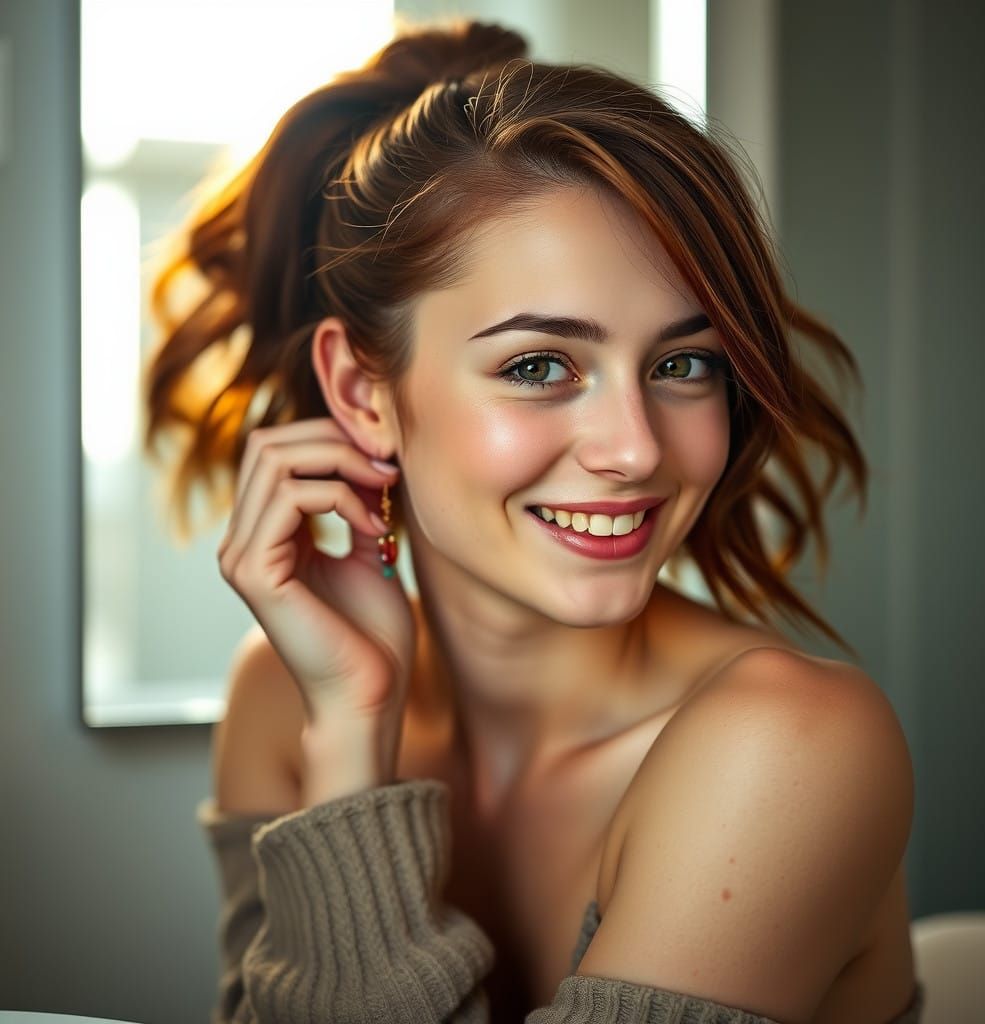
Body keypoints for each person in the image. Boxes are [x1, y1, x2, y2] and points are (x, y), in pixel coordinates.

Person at [142, 18, 923, 1024]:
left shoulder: (793, 749)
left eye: (682, 363)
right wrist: (348, 731)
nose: (635, 448)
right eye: (539, 366)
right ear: (362, 388)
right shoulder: (285, 695)